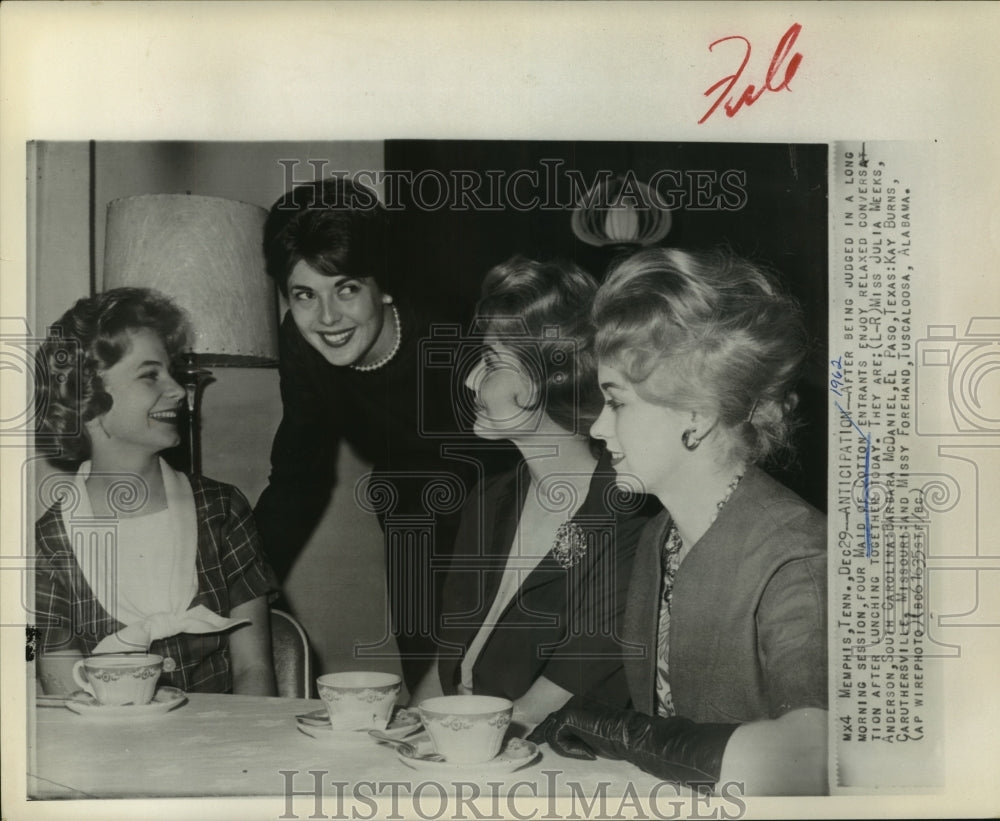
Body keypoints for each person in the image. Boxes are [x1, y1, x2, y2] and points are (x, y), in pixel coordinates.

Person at [529, 247, 827, 795]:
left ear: (696, 415)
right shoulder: (658, 538)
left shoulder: (799, 557)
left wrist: (616, 729)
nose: (597, 428)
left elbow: (811, 758)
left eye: (616, 402)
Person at [253, 176, 485, 692]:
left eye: (347, 288)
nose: (327, 318)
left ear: (383, 285)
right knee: (427, 676)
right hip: (409, 500)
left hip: (504, 486)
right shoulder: (301, 342)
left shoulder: (450, 330)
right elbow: (296, 476)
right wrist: (235, 572)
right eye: (304, 294)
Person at [410, 256, 657, 728]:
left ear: (553, 376)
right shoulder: (487, 499)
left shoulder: (629, 520)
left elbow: (544, 707)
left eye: (489, 362)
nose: (469, 380)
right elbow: (446, 667)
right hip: (459, 738)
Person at [33, 288, 277, 696]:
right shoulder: (48, 545)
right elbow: (64, 695)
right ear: (87, 400)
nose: (179, 390)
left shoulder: (223, 510)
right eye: (150, 375)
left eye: (171, 372)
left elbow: (255, 671)